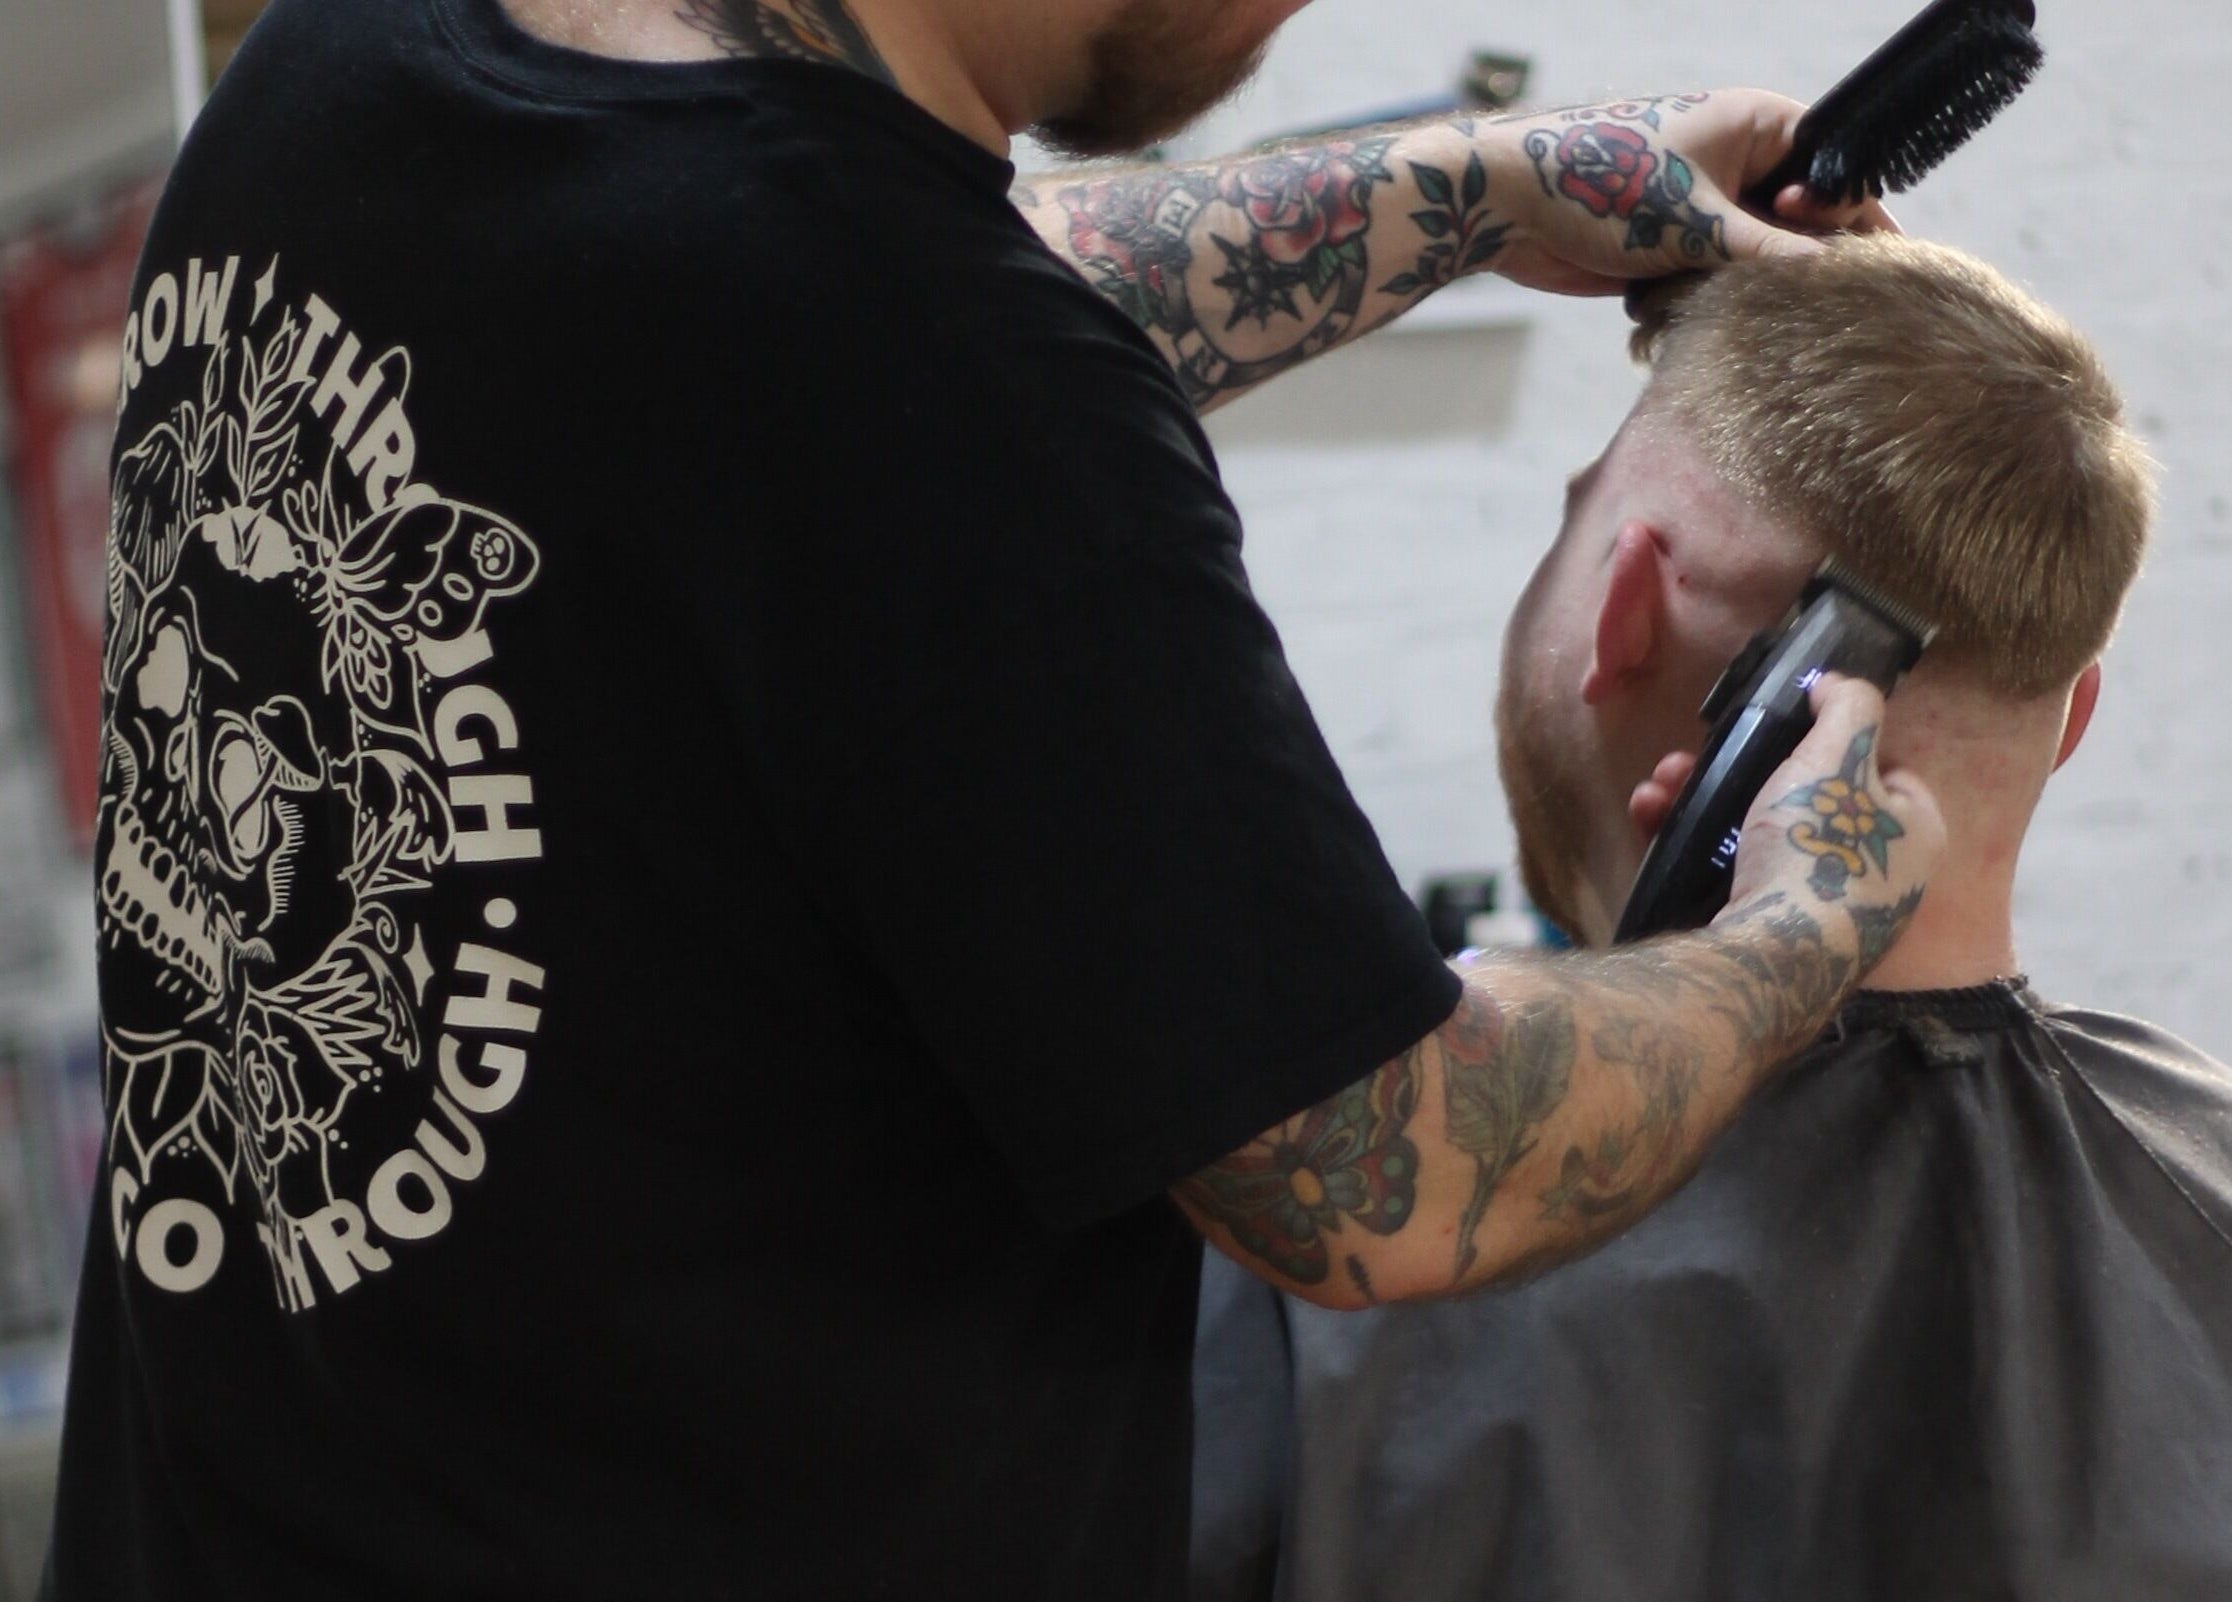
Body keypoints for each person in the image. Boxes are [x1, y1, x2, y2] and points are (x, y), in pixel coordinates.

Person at [44, 0, 1938, 1597]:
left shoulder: (356, 58)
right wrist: (1800, 920)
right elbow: (1393, 1170)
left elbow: (812, 299)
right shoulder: (928, 371)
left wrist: (1486, 187)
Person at [1190, 233, 2232, 1602]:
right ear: (2074, 718)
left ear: (1619, 608)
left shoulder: (1317, 1203)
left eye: (1578, 519)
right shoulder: (2206, 1186)